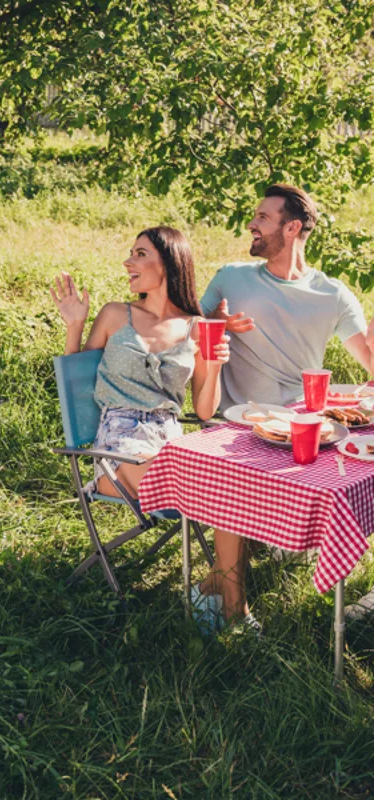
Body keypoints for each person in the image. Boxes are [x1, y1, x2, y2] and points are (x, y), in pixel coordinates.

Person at [194, 184, 374, 631]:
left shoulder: (332, 295)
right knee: (231, 476)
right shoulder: (231, 278)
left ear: (292, 228)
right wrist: (213, 324)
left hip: (309, 427)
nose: (252, 225)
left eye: (263, 218)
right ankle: (229, 591)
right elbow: (183, 331)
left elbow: (369, 362)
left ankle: (231, 573)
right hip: (237, 426)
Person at [50, 226, 229, 504]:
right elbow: (79, 385)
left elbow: (205, 411)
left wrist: (215, 365)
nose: (128, 262)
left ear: (169, 262)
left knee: (229, 485)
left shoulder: (196, 328)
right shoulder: (115, 315)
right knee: (204, 486)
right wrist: (75, 326)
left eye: (140, 254)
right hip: (117, 451)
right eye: (130, 253)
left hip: (169, 443)